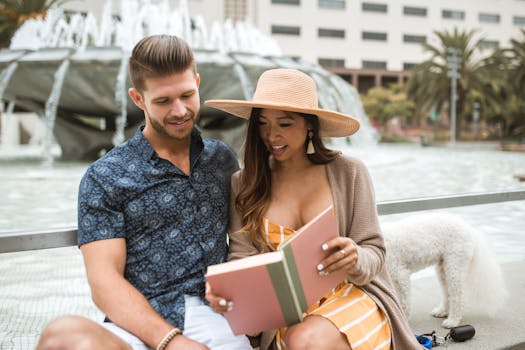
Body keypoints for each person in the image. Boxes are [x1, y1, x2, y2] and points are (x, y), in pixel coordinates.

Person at [36, 35, 252, 350]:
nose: (180, 110)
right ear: (138, 99)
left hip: (214, 317)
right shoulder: (105, 176)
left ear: (197, 83)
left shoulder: (222, 160)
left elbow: (247, 242)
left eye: (187, 95)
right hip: (135, 321)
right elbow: (104, 283)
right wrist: (171, 341)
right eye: (163, 101)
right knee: (62, 336)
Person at [204, 68, 424, 350]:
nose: (272, 135)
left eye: (285, 124)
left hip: (353, 295)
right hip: (285, 313)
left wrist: (355, 257)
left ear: (310, 124)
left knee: (306, 340)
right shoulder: (243, 183)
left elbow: (375, 251)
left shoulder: (349, 172)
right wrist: (230, 292)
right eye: (263, 123)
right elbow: (241, 258)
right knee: (301, 338)